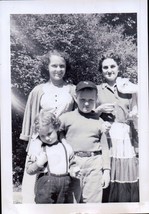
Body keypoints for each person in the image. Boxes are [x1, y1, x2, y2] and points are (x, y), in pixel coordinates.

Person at [20, 49, 75, 203]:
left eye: (62, 66)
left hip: (62, 139)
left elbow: (78, 114)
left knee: (62, 177)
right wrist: (31, 141)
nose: (58, 69)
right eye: (54, 66)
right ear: (47, 67)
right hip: (41, 138)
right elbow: (31, 116)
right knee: (36, 176)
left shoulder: (71, 90)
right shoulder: (39, 90)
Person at [96, 53, 139, 202]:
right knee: (108, 172)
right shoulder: (97, 90)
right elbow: (88, 116)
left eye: (112, 66)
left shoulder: (129, 89)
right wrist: (99, 110)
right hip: (106, 138)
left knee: (126, 174)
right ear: (101, 70)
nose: (109, 70)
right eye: (105, 67)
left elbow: (137, 117)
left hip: (125, 139)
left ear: (118, 68)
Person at [59, 81, 111, 203]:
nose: (86, 103)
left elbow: (105, 148)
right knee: (71, 202)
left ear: (96, 100)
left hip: (94, 163)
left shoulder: (100, 121)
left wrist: (106, 172)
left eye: (91, 100)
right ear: (75, 98)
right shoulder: (66, 118)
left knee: (93, 204)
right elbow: (52, 134)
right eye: (82, 100)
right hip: (73, 164)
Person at [26, 110, 80, 203]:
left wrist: (74, 170)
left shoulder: (65, 146)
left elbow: (72, 162)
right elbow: (29, 170)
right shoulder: (38, 148)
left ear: (56, 128)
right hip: (45, 186)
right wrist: (38, 163)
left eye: (49, 133)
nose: (47, 138)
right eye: (42, 136)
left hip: (65, 185)